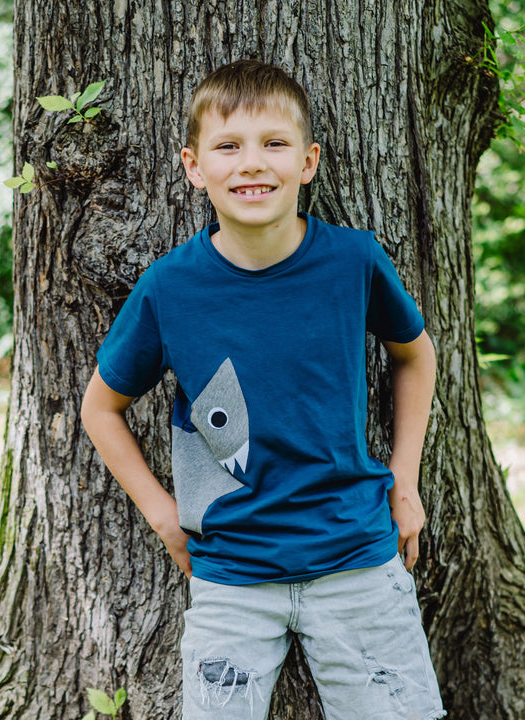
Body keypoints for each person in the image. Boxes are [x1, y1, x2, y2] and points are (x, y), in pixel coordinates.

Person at [80, 59, 445, 720]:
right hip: (232, 573)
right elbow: (101, 407)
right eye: (228, 146)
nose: (252, 163)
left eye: (274, 144)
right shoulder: (169, 288)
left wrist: (406, 479)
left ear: (307, 163)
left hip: (357, 558)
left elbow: (414, 357)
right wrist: (162, 514)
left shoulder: (353, 261)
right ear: (194, 167)